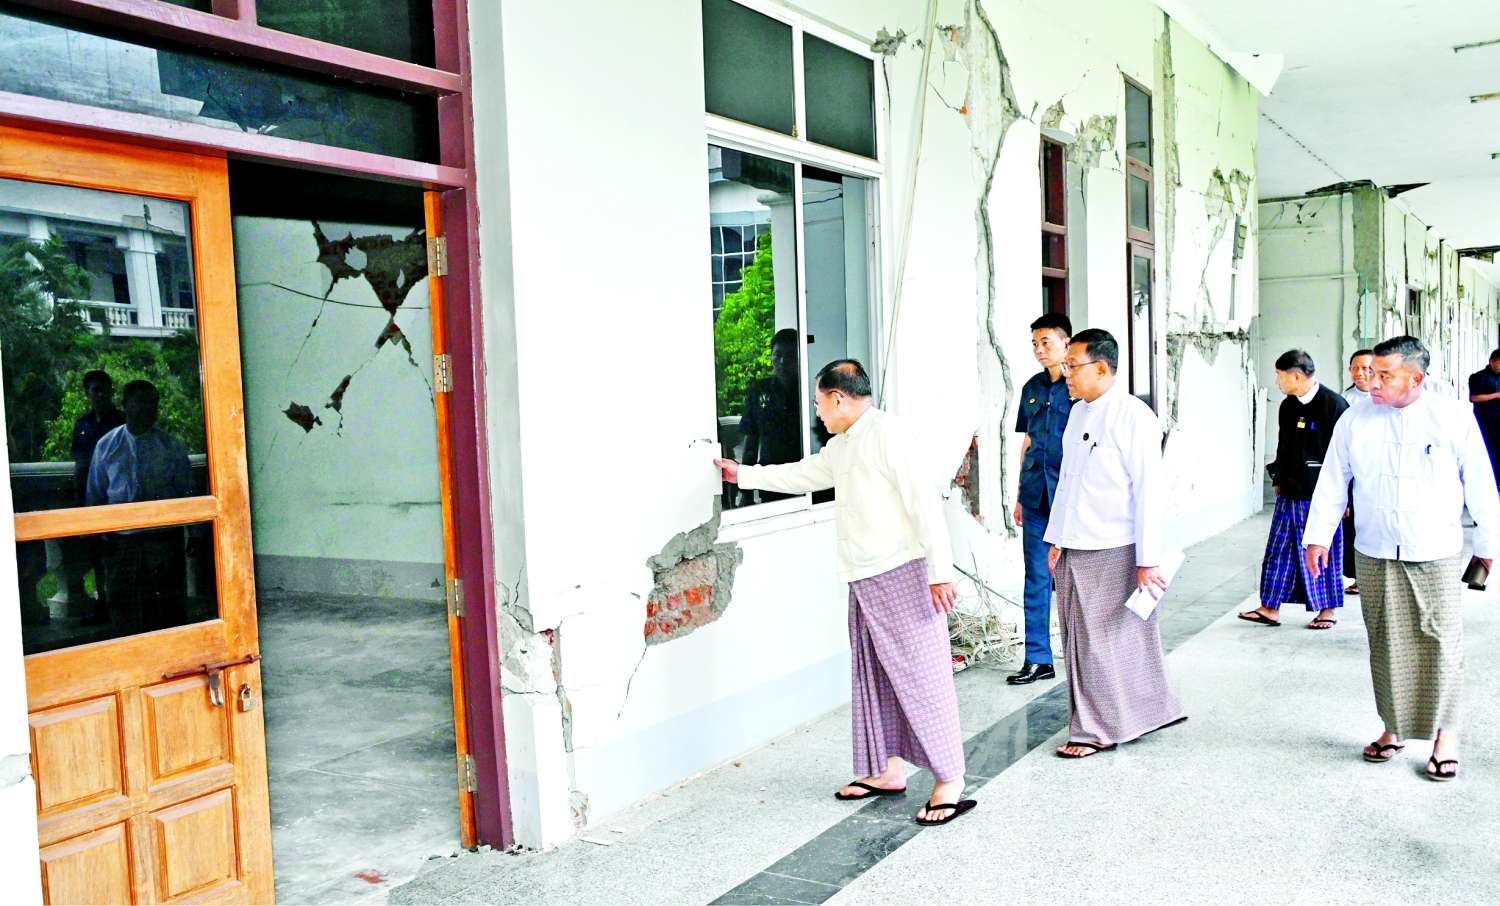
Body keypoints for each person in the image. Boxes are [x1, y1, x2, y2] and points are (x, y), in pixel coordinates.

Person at [714, 360, 974, 826]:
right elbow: (804, 475)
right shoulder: (843, 444)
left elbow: (925, 505)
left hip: (903, 574)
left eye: (819, 403)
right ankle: (888, 770)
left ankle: (950, 781)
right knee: (873, 675)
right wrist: (743, 475)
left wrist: (940, 573)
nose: (817, 412)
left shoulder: (889, 435)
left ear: (838, 398)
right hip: (863, 576)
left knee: (923, 678)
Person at [1305, 336, 1500, 782]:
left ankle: (1446, 735)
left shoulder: (1451, 416)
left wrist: (1487, 546)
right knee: (1385, 642)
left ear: (1415, 378)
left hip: (1434, 549)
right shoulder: (1355, 419)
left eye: (1384, 375)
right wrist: (1317, 538)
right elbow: (1333, 480)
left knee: (1441, 642)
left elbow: (1480, 483)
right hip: (1374, 548)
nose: (1371, 382)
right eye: (1370, 373)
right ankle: (1393, 727)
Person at [1044, 329, 1184, 758]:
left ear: (1102, 368)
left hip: (1115, 545)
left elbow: (1149, 492)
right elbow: (1068, 482)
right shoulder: (1078, 413)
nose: (1066, 374)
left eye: (1072, 366)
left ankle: (1097, 729)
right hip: (1076, 543)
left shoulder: (1134, 416)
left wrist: (1148, 559)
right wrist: (1056, 539)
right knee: (1088, 639)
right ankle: (1150, 710)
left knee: (1103, 642)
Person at [1239, 350, 1348, 629]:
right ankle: (1270, 607)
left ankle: (1327, 609)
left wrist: (1347, 498)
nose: (1277, 381)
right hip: (1289, 491)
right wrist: (1278, 477)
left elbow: (1347, 457)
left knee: (1321, 550)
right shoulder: (1288, 405)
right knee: (1278, 550)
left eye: (1279, 375)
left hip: (1320, 495)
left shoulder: (1334, 405)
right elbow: (1284, 445)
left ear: (1297, 376)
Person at [87, 380, 193, 633]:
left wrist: (196, 534)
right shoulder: (107, 446)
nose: (149, 409)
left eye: (153, 403)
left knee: (166, 609)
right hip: (122, 543)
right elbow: (95, 494)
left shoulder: (170, 446)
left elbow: (187, 492)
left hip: (163, 541)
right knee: (123, 606)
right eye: (142, 402)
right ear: (125, 405)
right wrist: (95, 536)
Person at [1008, 313, 1073, 685]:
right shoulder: (1031, 387)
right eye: (1035, 343)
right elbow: (1028, 442)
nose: (1038, 349)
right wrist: (1019, 495)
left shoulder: (1077, 388)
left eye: (1046, 342)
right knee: (1035, 577)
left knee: (1074, 578)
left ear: (1066, 343)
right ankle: (1038, 658)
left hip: (1070, 497)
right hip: (1036, 495)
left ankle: (1083, 657)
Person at [67, 370, 125, 623]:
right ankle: (102, 604)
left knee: (116, 556)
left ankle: (118, 606)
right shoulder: (83, 424)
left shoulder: (122, 422)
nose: (100, 395)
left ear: (111, 391)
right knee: (95, 556)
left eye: (104, 389)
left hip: (114, 496)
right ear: (87, 394)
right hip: (89, 499)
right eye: (95, 390)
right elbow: (79, 464)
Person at [736, 328, 803, 507]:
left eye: (790, 356)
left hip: (803, 478)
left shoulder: (809, 391)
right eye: (777, 355)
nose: (782, 362)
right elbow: (751, 443)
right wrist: (746, 492)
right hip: (770, 480)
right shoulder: (760, 391)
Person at [1341, 349, 1375, 593]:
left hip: (1379, 472)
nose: (1360, 373)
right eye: (1355, 368)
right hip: (1353, 472)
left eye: (1366, 368)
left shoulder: (1384, 398)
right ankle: (1358, 577)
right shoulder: (1344, 400)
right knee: (1352, 526)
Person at [1467, 348, 1500, 490]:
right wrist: (1496, 395)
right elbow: (1474, 398)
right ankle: (1488, 483)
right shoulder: (1478, 377)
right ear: (1491, 361)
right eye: (1499, 363)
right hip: (1485, 421)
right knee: (1488, 451)